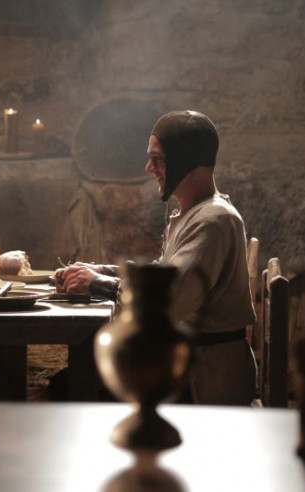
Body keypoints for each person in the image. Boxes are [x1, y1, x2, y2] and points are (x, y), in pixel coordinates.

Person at [55, 110, 257, 406]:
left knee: (72, 385)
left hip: (204, 379)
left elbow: (167, 301)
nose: (149, 168)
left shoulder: (213, 220)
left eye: (158, 159)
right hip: (188, 364)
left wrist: (99, 284)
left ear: (186, 160)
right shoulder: (196, 213)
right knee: (72, 380)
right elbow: (164, 275)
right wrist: (103, 271)